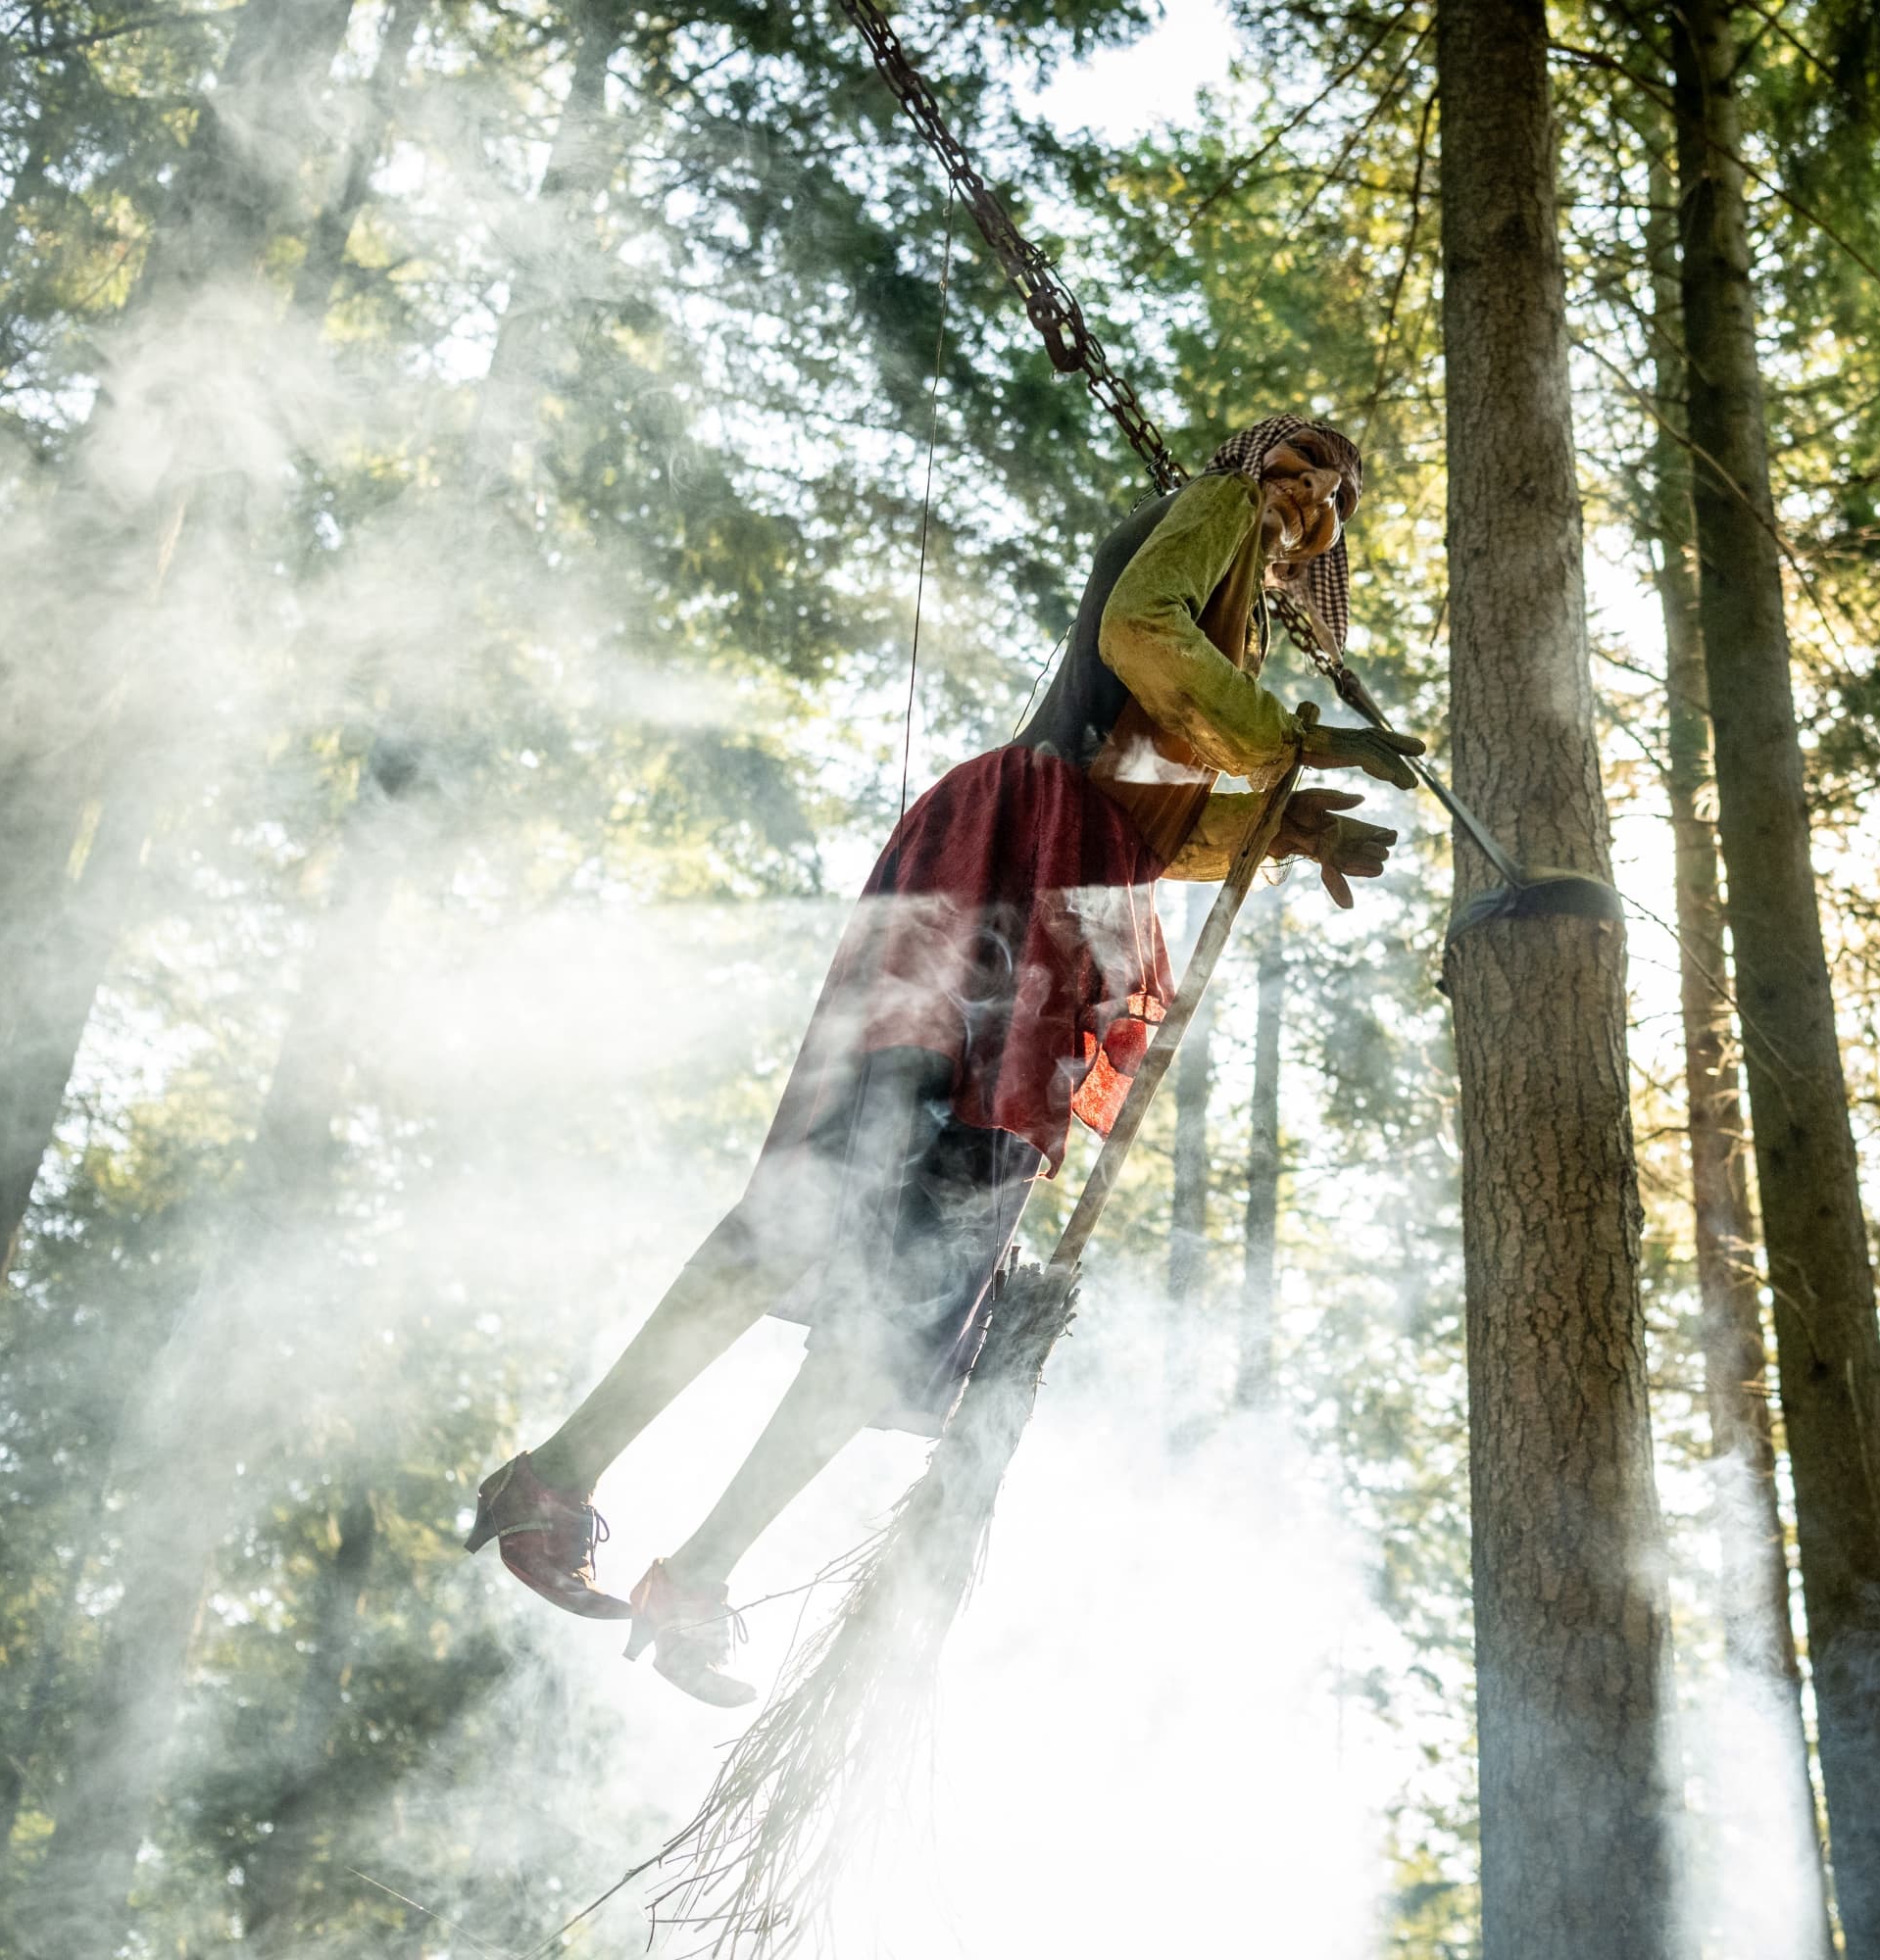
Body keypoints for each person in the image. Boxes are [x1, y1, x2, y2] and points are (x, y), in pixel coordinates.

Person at [464, 418, 1416, 1705]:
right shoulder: (1216, 515)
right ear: (1259, 463)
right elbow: (1141, 635)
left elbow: (1141, 815)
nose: (1323, 498)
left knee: (916, 1291)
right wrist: (1287, 748)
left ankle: (701, 1570)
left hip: (1076, 895)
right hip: (1004, 856)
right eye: (1309, 468)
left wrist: (1278, 823)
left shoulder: (1237, 621)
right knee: (819, 1197)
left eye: (1344, 492)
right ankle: (553, 1479)